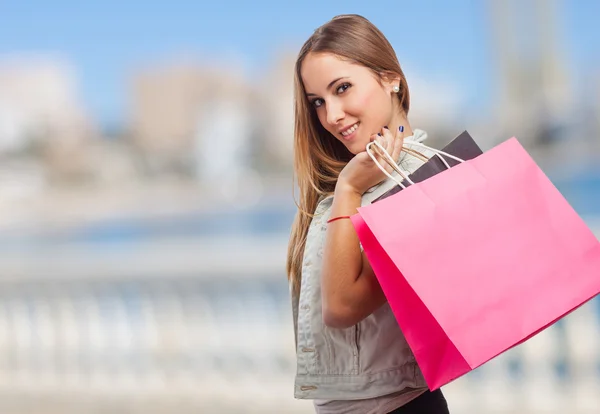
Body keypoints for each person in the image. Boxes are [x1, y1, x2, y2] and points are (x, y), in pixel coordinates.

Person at [286, 14, 451, 414]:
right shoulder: (355, 177)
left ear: (390, 78)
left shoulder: (422, 182)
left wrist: (349, 190)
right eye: (318, 102)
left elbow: (342, 308)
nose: (332, 115)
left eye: (343, 88)